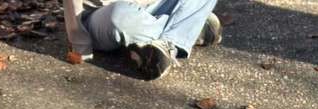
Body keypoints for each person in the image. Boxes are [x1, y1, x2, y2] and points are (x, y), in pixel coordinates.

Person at [63, 0, 222, 80]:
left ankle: (168, 44)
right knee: (121, 15)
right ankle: (190, 26)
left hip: (151, 8)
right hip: (106, 16)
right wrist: (80, 46)